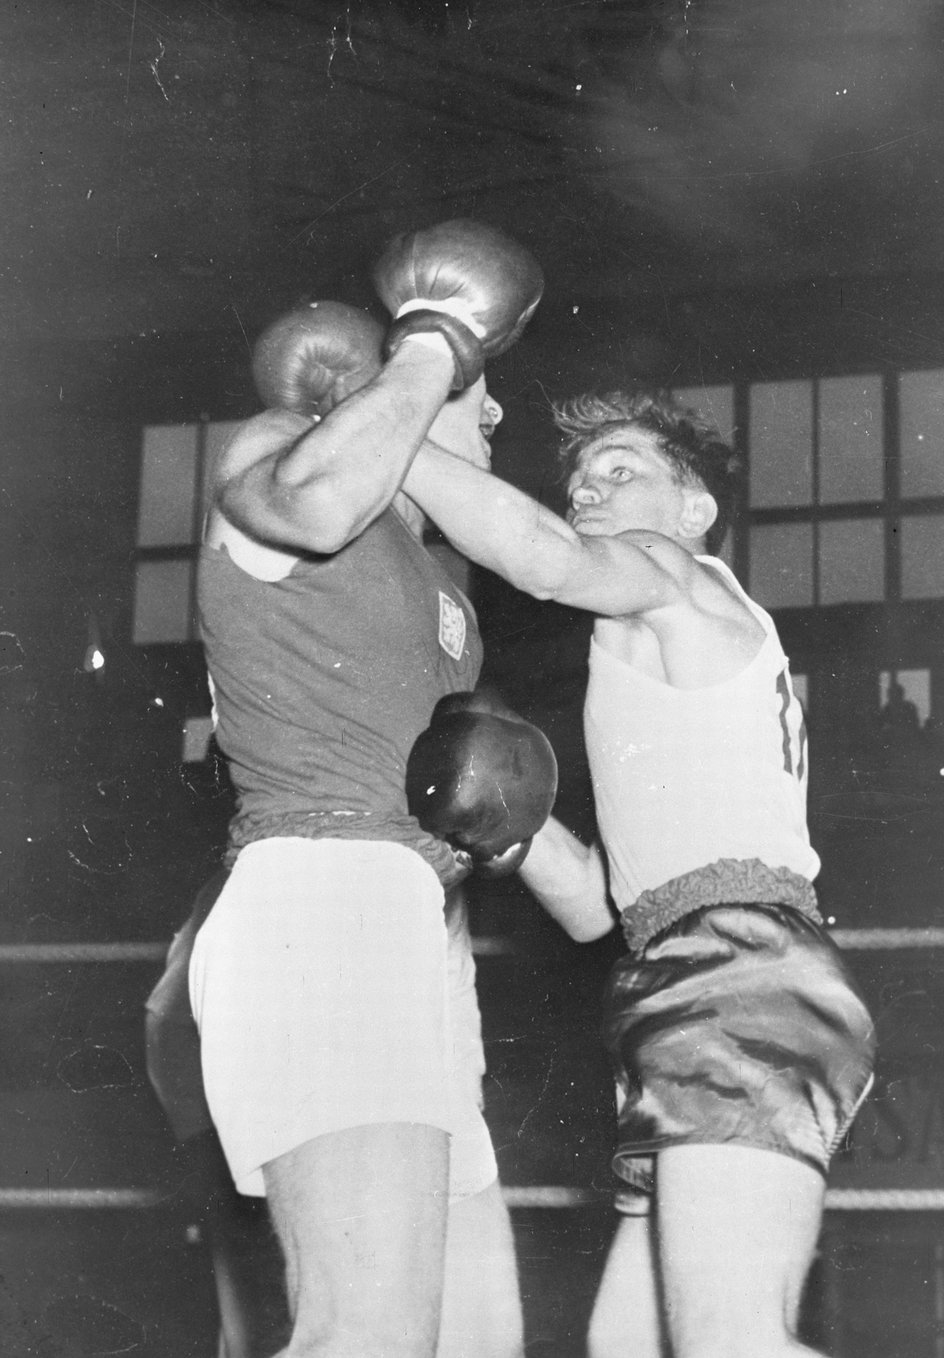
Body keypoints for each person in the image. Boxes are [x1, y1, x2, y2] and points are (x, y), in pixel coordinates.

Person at [401, 386, 876, 1358]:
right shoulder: (652, 654)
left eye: (621, 470)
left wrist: (387, 438)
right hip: (681, 974)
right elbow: (591, 908)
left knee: (733, 1341)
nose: (586, 489)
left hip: (736, 971)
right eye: (579, 478)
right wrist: (511, 825)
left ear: (692, 509)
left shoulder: (675, 572)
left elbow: (538, 556)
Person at [188, 221, 545, 1358]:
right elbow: (314, 501)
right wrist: (438, 342)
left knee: (473, 1337)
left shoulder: (443, 590)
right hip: (322, 903)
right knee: (368, 1334)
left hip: (415, 928)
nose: (489, 412)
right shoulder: (280, 462)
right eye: (473, 389)